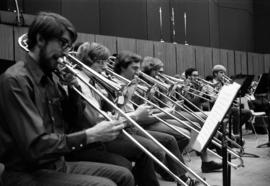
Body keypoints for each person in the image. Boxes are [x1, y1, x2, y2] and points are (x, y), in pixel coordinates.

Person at [0, 12, 134, 186]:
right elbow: (35, 147)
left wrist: (73, 88)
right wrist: (90, 135)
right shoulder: (16, 80)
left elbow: (74, 120)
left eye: (69, 47)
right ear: (40, 39)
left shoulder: (51, 78)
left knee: (124, 175)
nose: (65, 54)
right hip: (26, 173)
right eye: (62, 44)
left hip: (57, 164)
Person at [76, 43, 200, 186]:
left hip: (124, 123)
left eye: (105, 62)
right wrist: (127, 99)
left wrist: (130, 95)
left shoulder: (101, 81)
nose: (104, 66)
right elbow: (109, 112)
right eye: (100, 62)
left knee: (168, 141)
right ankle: (171, 173)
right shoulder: (98, 81)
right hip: (115, 129)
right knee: (154, 149)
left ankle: (177, 175)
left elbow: (118, 106)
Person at [212, 65, 252, 144]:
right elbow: (213, 99)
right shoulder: (211, 84)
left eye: (224, 72)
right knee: (235, 110)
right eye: (221, 72)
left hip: (227, 107)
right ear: (215, 74)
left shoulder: (224, 83)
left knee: (248, 113)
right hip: (218, 108)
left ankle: (233, 132)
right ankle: (235, 135)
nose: (223, 75)